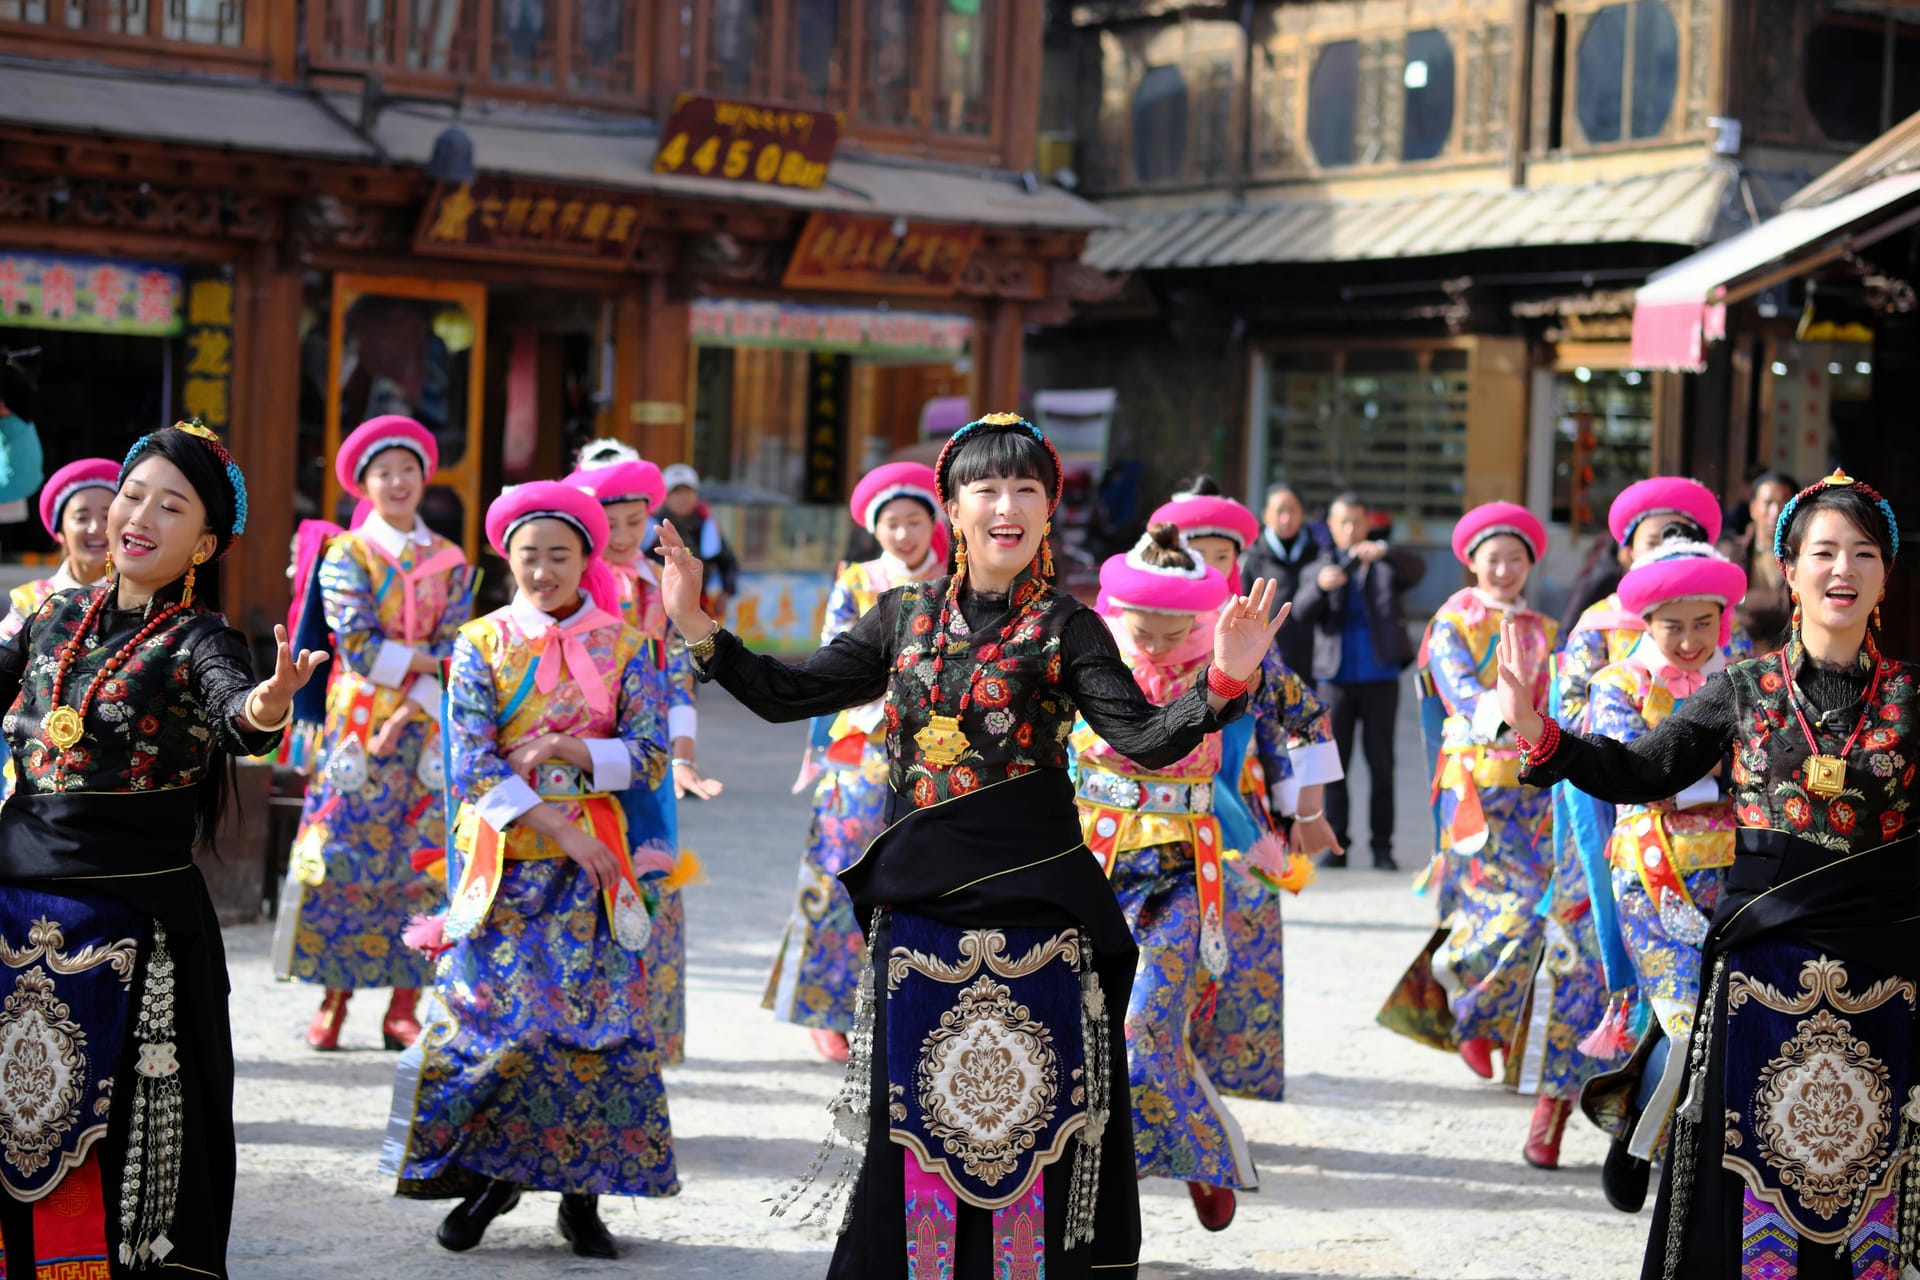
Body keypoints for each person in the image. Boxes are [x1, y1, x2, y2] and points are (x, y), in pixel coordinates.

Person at [658, 412, 1282, 1279]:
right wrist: (696, 624)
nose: (1007, 505)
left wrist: (1224, 680)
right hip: (920, 906)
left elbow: (1143, 738)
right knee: (913, 1112)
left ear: (1049, 509)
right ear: (952, 507)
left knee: (1039, 1111)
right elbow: (783, 691)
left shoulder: (1069, 628)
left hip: (1040, 911)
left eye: (1028, 489)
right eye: (987, 487)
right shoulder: (901, 617)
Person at [1502, 470, 1917, 1280]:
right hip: (1761, 975)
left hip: (1883, 979)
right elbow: (1641, 770)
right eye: (1824, 551)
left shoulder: (1910, 698)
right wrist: (1544, 736)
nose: (1843, 569)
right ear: (1789, 569)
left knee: (1868, 1183)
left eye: (1863, 553)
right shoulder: (1744, 689)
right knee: (1749, 1179)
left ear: (1884, 576)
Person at [0, 421, 325, 1277]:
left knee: (112, 1143)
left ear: (205, 542)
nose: (135, 516)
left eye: (168, 506)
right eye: (131, 495)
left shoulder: (199, 640)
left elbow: (237, 717)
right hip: (12, 903)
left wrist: (270, 704)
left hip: (129, 923)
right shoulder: (50, 617)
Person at [382, 481, 675, 1260]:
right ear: (505, 557)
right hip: (506, 870)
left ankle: (583, 1200)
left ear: (587, 558)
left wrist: (574, 752)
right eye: (528, 556)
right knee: (498, 1028)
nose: (543, 570)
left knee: (595, 1032)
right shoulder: (478, 644)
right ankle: (493, 1180)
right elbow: (471, 759)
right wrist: (555, 825)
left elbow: (648, 756)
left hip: (595, 879)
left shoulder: (631, 645)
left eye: (560, 555)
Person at [1512, 478, 1740, 1169]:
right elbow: (1586, 734)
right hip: (1607, 814)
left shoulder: (1727, 649)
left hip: (1714, 848)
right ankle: (1554, 1108)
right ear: (1629, 557)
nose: (1692, 636)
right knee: (1583, 958)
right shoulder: (1598, 639)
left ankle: (1654, 1129)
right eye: (1651, 542)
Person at [273, 415, 474, 1051]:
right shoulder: (347, 556)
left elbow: (461, 645)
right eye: (383, 472)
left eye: (408, 470)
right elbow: (358, 645)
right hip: (358, 729)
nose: (397, 482)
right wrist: (424, 673)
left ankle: (404, 1004)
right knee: (342, 854)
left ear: (425, 477)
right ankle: (335, 997)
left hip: (427, 733)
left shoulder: (452, 559)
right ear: (363, 484)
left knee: (423, 860)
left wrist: (415, 693)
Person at [1148, 490, 1341, 1109]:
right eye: (1193, 554)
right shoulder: (1128, 641)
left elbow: (1303, 720)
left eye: (1221, 553)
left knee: (1241, 937)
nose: (1208, 564)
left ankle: (1214, 1088)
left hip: (1234, 813)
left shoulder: (1253, 647)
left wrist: (1304, 811)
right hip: (1137, 828)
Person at [1572, 539, 1745, 1215]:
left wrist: (1688, 777)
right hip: (1651, 880)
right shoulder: (1616, 684)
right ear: (1645, 621)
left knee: (1719, 1026)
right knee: (1684, 1023)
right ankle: (1639, 1147)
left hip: (1733, 877)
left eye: (1705, 623)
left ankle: (1646, 1133)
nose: (1691, 640)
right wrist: (1710, 780)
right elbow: (1635, 777)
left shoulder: (1743, 682)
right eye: (1674, 625)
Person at [767, 461, 946, 1064]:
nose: (904, 534)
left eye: (914, 521)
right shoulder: (859, 581)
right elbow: (836, 659)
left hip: (936, 751)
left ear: (934, 522)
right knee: (840, 871)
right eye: (891, 524)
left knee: (929, 883)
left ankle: (917, 1010)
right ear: (876, 530)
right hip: (863, 749)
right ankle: (828, 1008)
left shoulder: (959, 580)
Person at [1380, 503, 1555, 1087]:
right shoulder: (1455, 620)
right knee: (1496, 909)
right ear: (1471, 563)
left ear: (1530, 563)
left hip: (1534, 790)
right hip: (1475, 787)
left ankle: (1501, 1029)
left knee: (1542, 908)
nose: (1504, 569)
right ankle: (1474, 1015)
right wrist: (1513, 723)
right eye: (1493, 559)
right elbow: (1456, 689)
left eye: (1515, 558)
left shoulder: (1544, 629)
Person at [565, 442, 711, 1066]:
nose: (623, 536)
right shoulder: (568, 582)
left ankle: (644, 1039)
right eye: (610, 523)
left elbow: (676, 668)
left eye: (634, 521)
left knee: (647, 885)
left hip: (644, 760)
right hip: (579, 756)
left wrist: (683, 752)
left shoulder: (658, 587)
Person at [1292, 491, 1427, 868]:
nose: (1350, 529)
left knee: (1381, 764)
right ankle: (1339, 846)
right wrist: (1321, 587)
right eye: (1342, 522)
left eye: (1356, 521)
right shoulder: (1317, 568)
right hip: (1334, 679)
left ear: (1367, 524)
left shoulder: (1384, 563)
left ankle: (1382, 848)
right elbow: (1300, 613)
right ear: (1331, 527)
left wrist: (1384, 552)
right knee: (1334, 765)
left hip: (1380, 676)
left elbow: (1417, 570)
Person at [0, 456, 117, 642]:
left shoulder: (137, 597)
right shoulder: (30, 600)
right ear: (60, 531)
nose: (95, 528)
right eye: (81, 518)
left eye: (106, 516)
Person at [1241, 482, 1324, 672]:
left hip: (1311, 660)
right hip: (1265, 660)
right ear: (1266, 515)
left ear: (1302, 513)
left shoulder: (1317, 552)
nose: (1286, 518)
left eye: (1292, 511)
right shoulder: (1252, 556)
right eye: (1279, 511)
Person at [647, 463, 739, 621]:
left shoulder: (707, 526)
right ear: (665, 496)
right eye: (676, 492)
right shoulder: (651, 526)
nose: (683, 497)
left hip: (697, 606)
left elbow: (728, 562)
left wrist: (726, 592)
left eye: (688, 491)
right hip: (655, 608)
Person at [1719, 470, 1798, 652]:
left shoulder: (1803, 556)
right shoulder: (1732, 551)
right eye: (1768, 503)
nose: (1776, 512)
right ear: (1753, 508)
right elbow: (1721, 602)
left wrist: (1740, 599)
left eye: (1784, 504)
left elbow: (1789, 605)